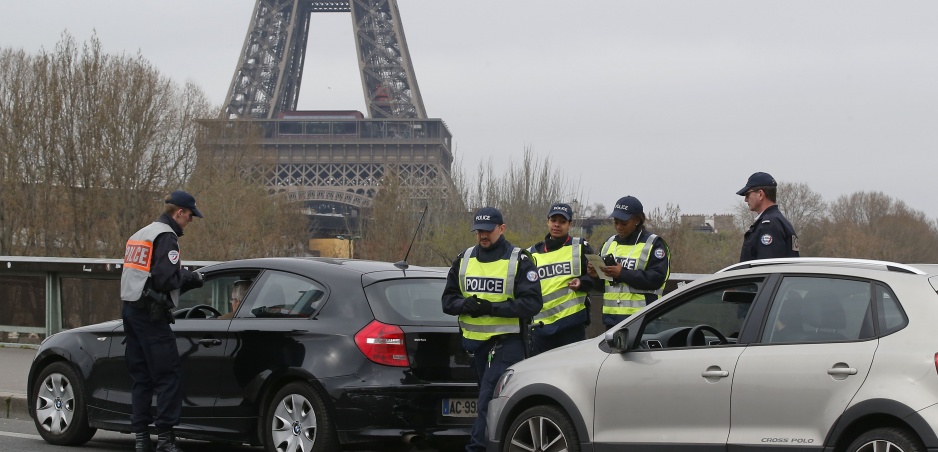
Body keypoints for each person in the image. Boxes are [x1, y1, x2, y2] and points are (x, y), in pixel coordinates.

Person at [441, 207, 542, 452]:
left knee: (487, 399)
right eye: (478, 231)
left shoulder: (519, 260)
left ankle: (475, 448)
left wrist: (492, 308)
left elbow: (532, 304)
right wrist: (464, 304)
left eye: (488, 231)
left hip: (506, 343)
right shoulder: (464, 259)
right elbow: (447, 301)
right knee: (491, 402)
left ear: (502, 229)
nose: (483, 236)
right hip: (476, 345)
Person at [120, 190, 205, 452]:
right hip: (151, 315)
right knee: (168, 376)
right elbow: (166, 279)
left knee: (142, 378)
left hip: (131, 311)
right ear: (179, 212)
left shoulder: (140, 234)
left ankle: (142, 440)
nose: (190, 221)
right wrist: (190, 277)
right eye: (190, 216)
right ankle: (166, 440)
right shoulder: (166, 236)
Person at [588, 196, 670, 329]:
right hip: (612, 319)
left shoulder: (653, 244)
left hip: (644, 319)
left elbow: (657, 279)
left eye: (624, 223)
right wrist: (596, 276)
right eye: (616, 222)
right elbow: (603, 286)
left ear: (637, 220)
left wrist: (622, 273)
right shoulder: (609, 243)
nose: (619, 227)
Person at [526, 202, 595, 355]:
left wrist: (582, 282)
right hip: (541, 328)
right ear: (547, 221)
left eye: (562, 222)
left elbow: (599, 277)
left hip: (571, 325)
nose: (557, 225)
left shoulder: (581, 246)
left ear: (570, 224)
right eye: (554, 220)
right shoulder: (532, 253)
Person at [737, 171, 800, 262]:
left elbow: (766, 268)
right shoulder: (779, 221)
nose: (745, 200)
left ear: (761, 194)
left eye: (747, 194)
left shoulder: (769, 225)